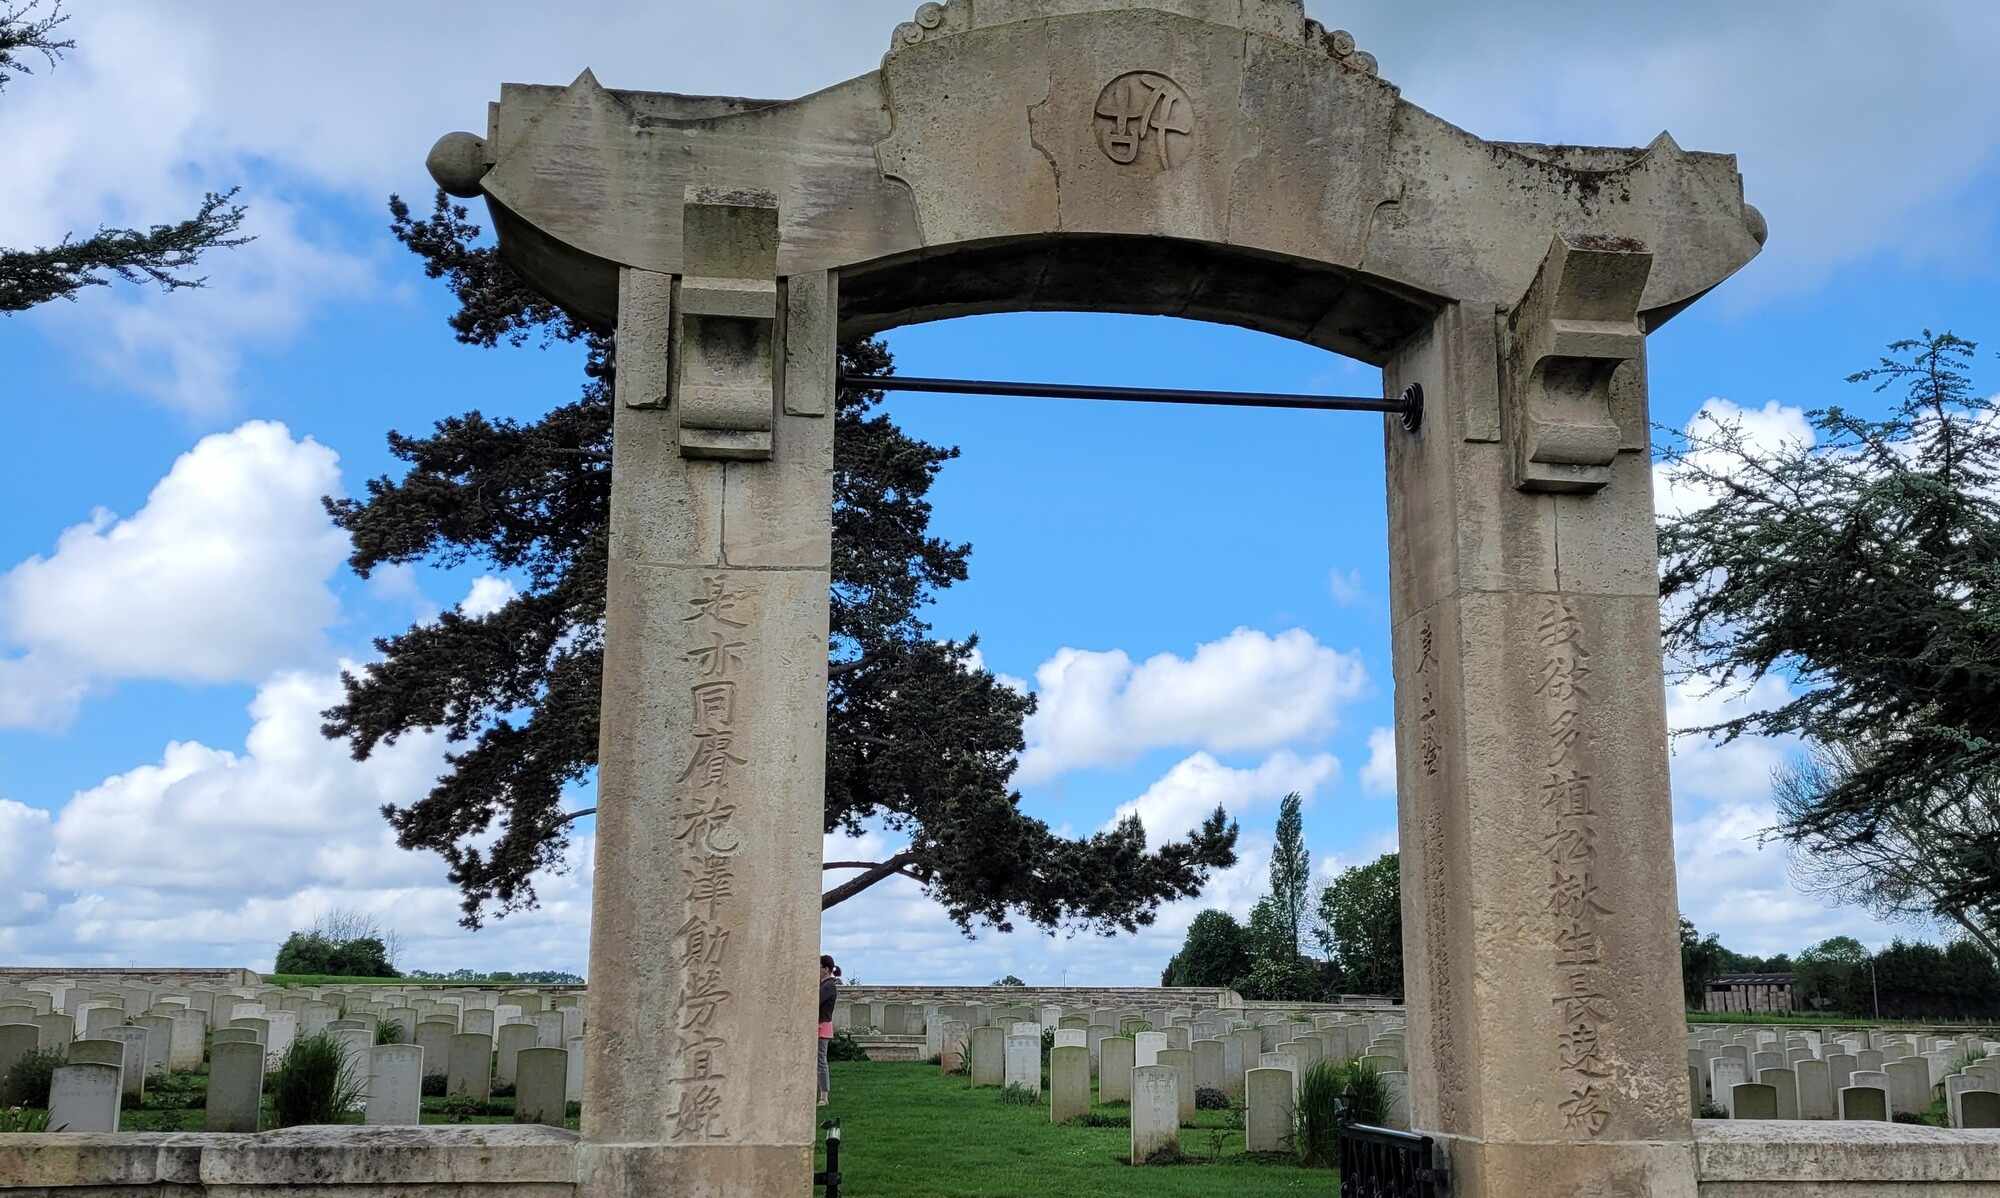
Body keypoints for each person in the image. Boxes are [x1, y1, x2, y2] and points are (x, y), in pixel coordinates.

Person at [817, 954, 839, 1105]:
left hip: (822, 1026)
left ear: (826, 969)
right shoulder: (823, 984)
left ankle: (824, 1096)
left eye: (818, 966)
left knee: (821, 1062)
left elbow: (815, 1000)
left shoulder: (829, 986)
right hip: (819, 1025)